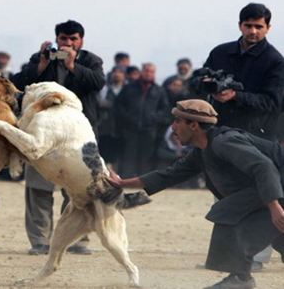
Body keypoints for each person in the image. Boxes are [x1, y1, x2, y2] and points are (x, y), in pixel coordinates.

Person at [108, 99, 284, 289]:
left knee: (227, 212)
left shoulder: (224, 141)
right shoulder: (202, 151)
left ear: (193, 125)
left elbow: (264, 167)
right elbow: (169, 175)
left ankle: (240, 279)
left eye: (177, 121)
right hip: (270, 193)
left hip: (276, 192)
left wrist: (274, 206)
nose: (173, 127)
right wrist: (122, 183)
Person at [12, 20, 148, 255]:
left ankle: (77, 239)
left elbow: (97, 83)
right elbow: (19, 84)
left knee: (80, 187)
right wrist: (42, 65)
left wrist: (73, 65)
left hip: (78, 134)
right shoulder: (41, 58)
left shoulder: (91, 60)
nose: (68, 43)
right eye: (64, 39)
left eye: (73, 39)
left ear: (81, 41)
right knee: (38, 187)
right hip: (43, 131)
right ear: (57, 39)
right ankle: (40, 241)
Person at [202, 2, 284, 270]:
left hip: (256, 137)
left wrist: (237, 96)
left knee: (260, 193)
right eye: (248, 25)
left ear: (268, 28)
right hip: (220, 134)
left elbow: (273, 102)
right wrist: (209, 88)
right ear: (240, 25)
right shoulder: (220, 53)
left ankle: (253, 257)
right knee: (225, 191)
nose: (253, 31)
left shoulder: (275, 61)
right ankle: (239, 254)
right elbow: (200, 79)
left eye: (258, 26)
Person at [114, 62, 170, 178]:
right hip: (130, 128)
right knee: (129, 154)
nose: (148, 73)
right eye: (146, 71)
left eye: (151, 71)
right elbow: (119, 105)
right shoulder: (129, 88)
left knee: (147, 155)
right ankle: (127, 179)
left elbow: (165, 109)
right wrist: (127, 118)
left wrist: (153, 118)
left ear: (154, 73)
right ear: (142, 72)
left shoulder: (159, 90)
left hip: (149, 129)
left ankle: (144, 180)